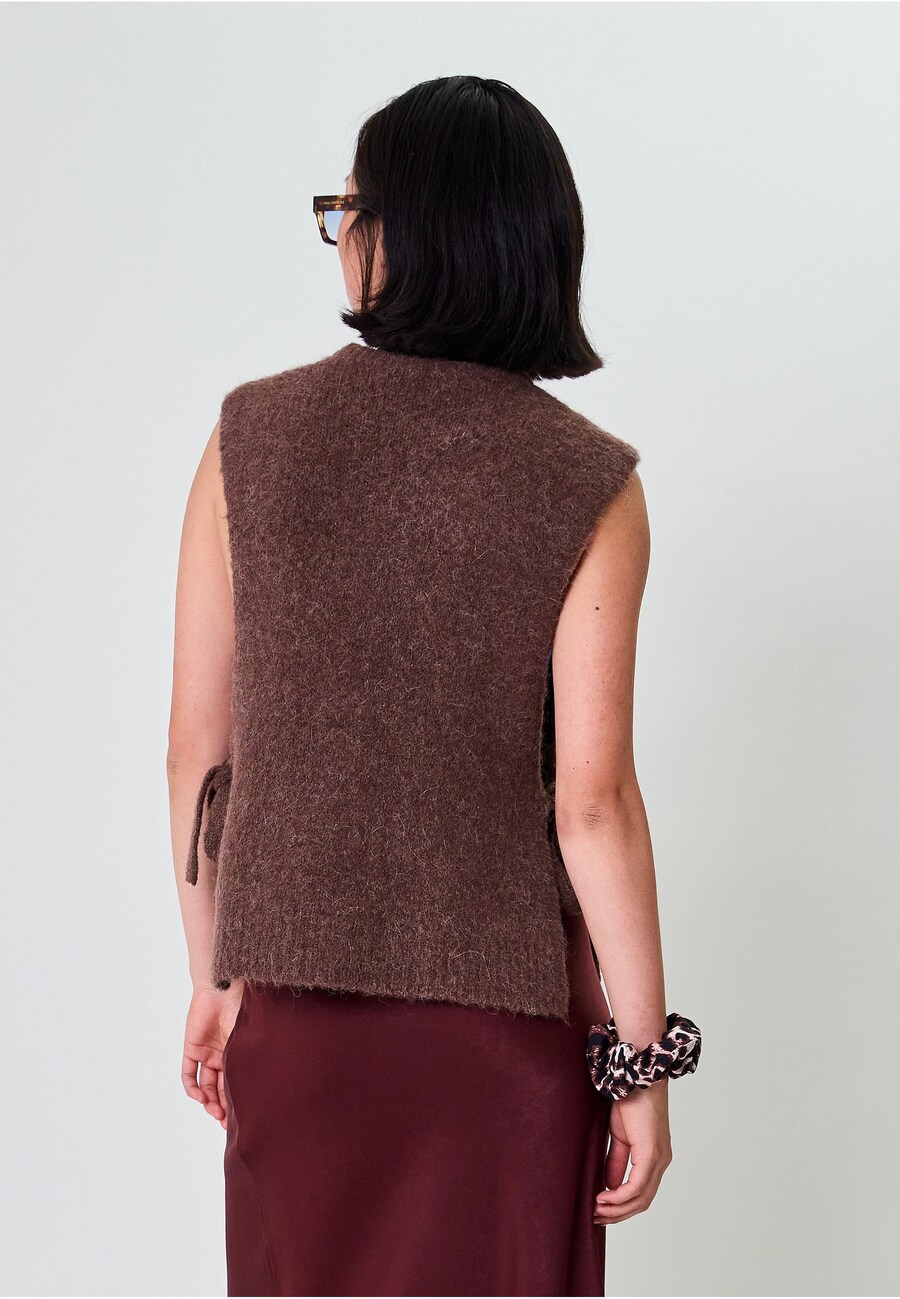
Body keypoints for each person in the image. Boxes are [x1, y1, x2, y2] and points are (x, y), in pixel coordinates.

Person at [168, 75, 685, 1298]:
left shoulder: (249, 437)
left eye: (349, 209)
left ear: (405, 232)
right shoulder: (590, 482)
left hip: (297, 1031)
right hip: (503, 1045)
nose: (342, 235)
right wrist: (644, 1065)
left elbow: (199, 753)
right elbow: (595, 804)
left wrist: (218, 979)